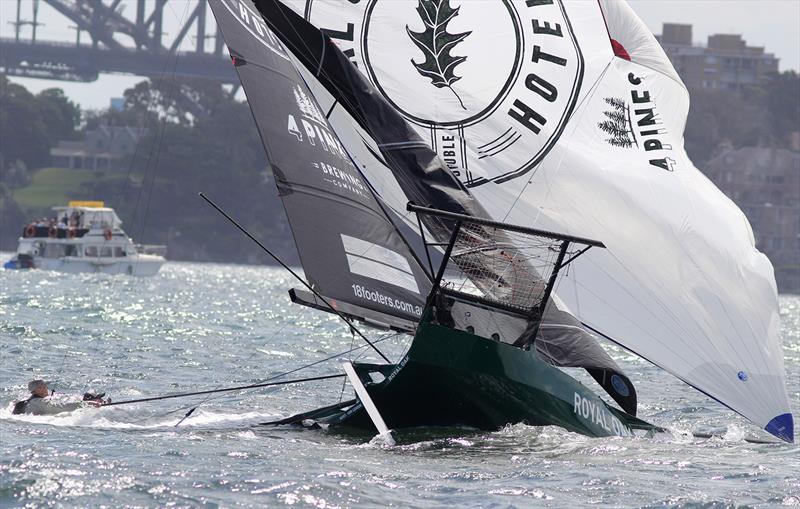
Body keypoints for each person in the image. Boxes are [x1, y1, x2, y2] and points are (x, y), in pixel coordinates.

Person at [12, 380, 108, 416]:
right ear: (38, 389)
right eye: (45, 387)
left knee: (86, 396)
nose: (47, 388)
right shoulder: (40, 402)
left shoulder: (29, 401)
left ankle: (94, 398)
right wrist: (89, 403)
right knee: (88, 396)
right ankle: (95, 400)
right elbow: (63, 407)